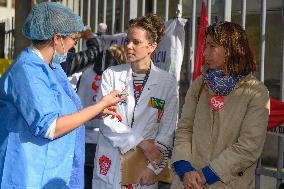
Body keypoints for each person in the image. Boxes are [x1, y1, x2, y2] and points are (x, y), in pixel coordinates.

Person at [0, 2, 126, 189]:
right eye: (74, 39)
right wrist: (99, 105)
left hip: (53, 172)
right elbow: (50, 127)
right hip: (29, 175)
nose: (74, 44)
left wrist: (96, 112)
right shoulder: (27, 71)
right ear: (57, 38)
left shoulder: (52, 68)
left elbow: (65, 113)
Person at [170, 21, 270, 189]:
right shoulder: (199, 84)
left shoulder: (256, 92)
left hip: (226, 184)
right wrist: (185, 169)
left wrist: (207, 174)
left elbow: (249, 146)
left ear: (231, 50)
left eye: (212, 46)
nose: (205, 52)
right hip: (188, 183)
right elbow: (185, 129)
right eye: (205, 46)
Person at [92, 14, 178, 189]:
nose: (129, 46)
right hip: (111, 161)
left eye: (136, 42)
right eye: (127, 40)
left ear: (151, 46)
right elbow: (108, 121)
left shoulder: (166, 82)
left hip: (144, 168)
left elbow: (167, 129)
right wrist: (141, 143)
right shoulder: (112, 75)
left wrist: (153, 167)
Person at [76, 44, 126, 189]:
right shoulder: (116, 77)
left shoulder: (86, 73)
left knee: (84, 181)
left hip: (83, 135)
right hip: (105, 139)